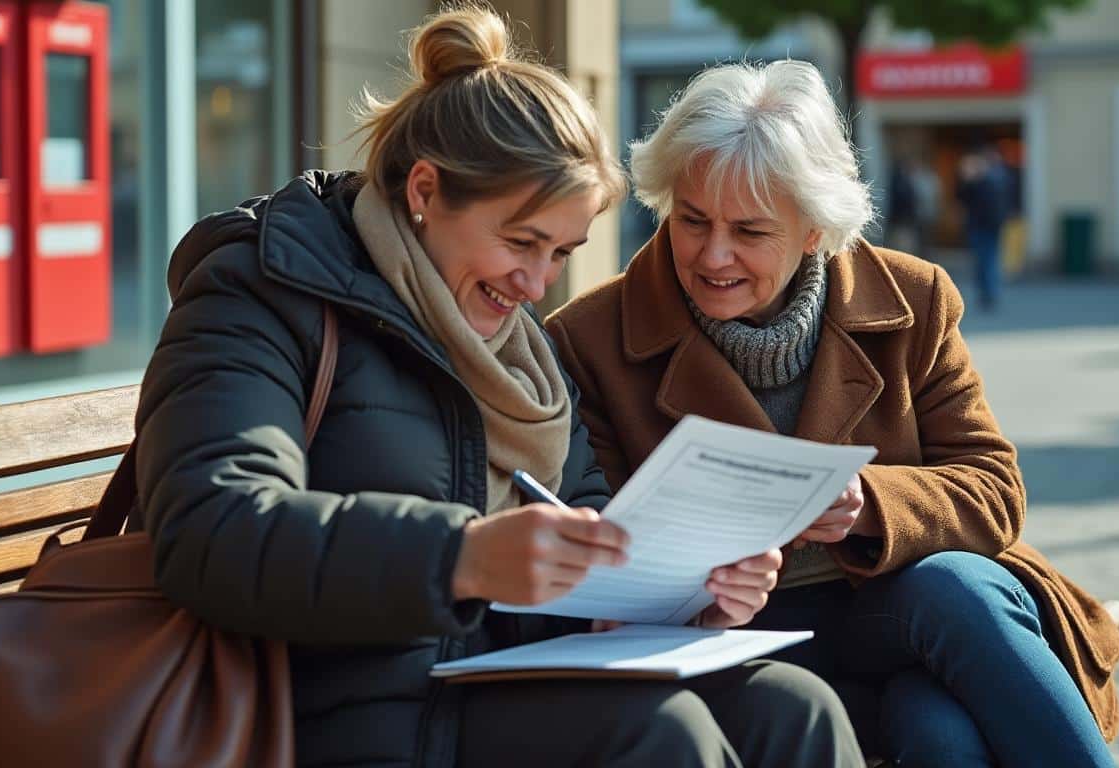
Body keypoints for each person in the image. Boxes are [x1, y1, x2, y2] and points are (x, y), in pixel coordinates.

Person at [132, 8, 863, 768]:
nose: (538, 282)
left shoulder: (521, 354)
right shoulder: (264, 292)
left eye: (561, 253)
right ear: (425, 190)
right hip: (329, 715)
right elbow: (213, 530)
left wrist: (689, 591)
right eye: (521, 243)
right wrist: (460, 558)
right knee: (660, 733)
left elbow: (585, 514)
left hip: (493, 684)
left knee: (793, 708)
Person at [546, 60, 1119, 767]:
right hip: (738, 639)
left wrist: (868, 504)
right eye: (691, 220)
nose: (712, 254)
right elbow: (599, 554)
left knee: (954, 590)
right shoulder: (590, 339)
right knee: (936, 727)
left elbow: (996, 491)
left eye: (751, 232)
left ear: (816, 230)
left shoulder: (915, 299)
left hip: (900, 605)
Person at [956, 144, 1011, 310]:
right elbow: (961, 198)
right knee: (984, 262)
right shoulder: (983, 180)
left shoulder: (991, 180)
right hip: (983, 227)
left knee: (987, 262)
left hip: (986, 227)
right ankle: (987, 294)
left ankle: (989, 294)